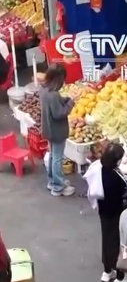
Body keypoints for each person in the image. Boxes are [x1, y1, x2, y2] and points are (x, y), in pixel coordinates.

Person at [39, 63, 76, 197]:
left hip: (48, 129)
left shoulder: (44, 90)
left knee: (53, 155)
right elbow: (59, 113)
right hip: (57, 131)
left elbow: (54, 105)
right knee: (57, 158)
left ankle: (52, 181)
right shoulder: (53, 95)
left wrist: (66, 99)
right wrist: (72, 102)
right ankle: (58, 187)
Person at [98, 143, 127, 282]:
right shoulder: (115, 176)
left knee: (106, 240)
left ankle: (107, 271)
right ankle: (120, 277)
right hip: (116, 213)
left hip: (103, 211)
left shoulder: (99, 169)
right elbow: (125, 188)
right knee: (118, 243)